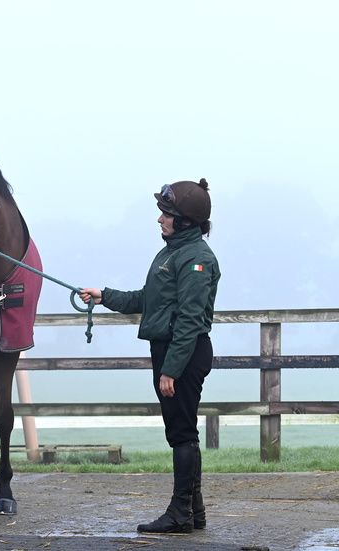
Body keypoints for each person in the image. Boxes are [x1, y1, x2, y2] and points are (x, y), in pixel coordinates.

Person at [79, 178, 220, 534]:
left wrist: (171, 369)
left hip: (183, 352)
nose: (160, 219)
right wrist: (104, 296)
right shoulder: (172, 252)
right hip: (171, 350)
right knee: (181, 431)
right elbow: (147, 299)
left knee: (182, 433)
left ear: (185, 220)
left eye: (167, 214)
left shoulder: (196, 259)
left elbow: (189, 320)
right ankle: (193, 512)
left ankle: (179, 514)